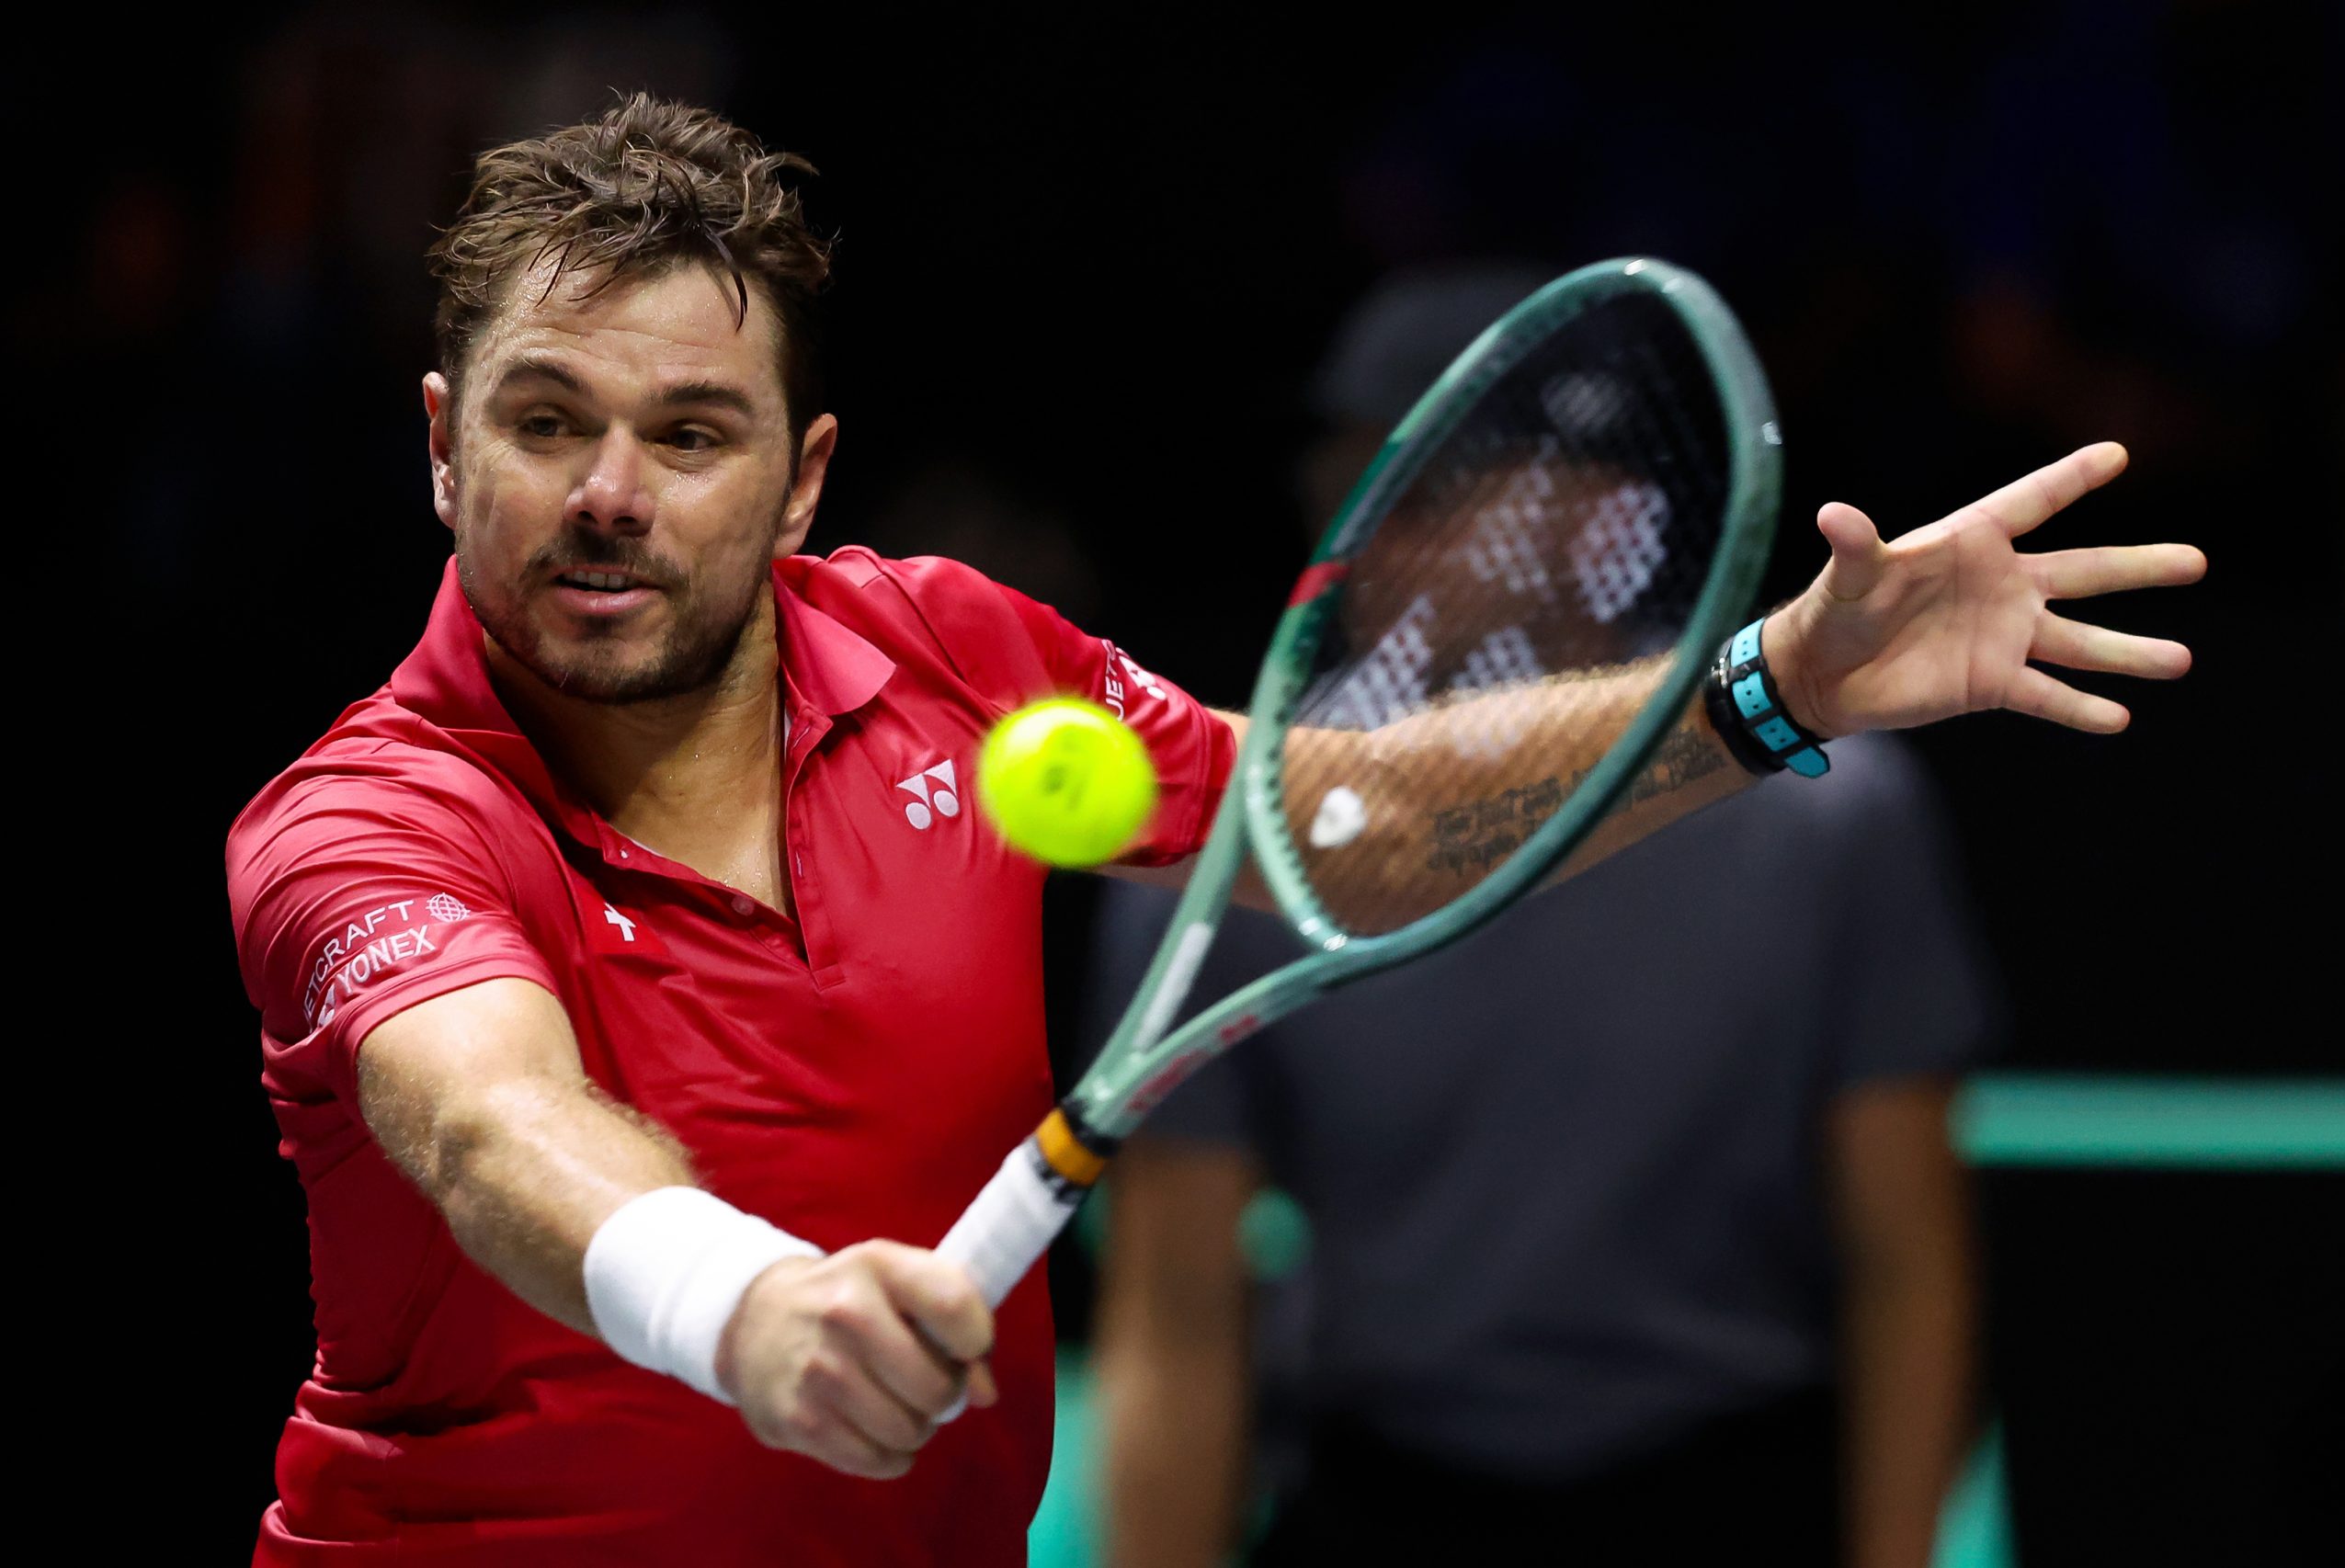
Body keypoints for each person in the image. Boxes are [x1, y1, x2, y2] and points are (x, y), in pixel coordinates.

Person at [222, 97, 2203, 1566]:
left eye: (687, 432)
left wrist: (1776, 682)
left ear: (801, 475)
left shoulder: (946, 654)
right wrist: (740, 1304)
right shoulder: (370, 818)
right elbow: (490, 1128)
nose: (608, 493)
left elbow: (1337, 816)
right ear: (435, 440)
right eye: (544, 419)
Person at [1089, 267, 1997, 1568]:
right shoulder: (1244, 826)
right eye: (1346, 469)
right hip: (1384, 1494)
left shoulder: (1837, 817)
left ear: (1601, 514)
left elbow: (1908, 1261)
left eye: (1429, 487)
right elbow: (1176, 1315)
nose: (1358, 531)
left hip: (1736, 1487)